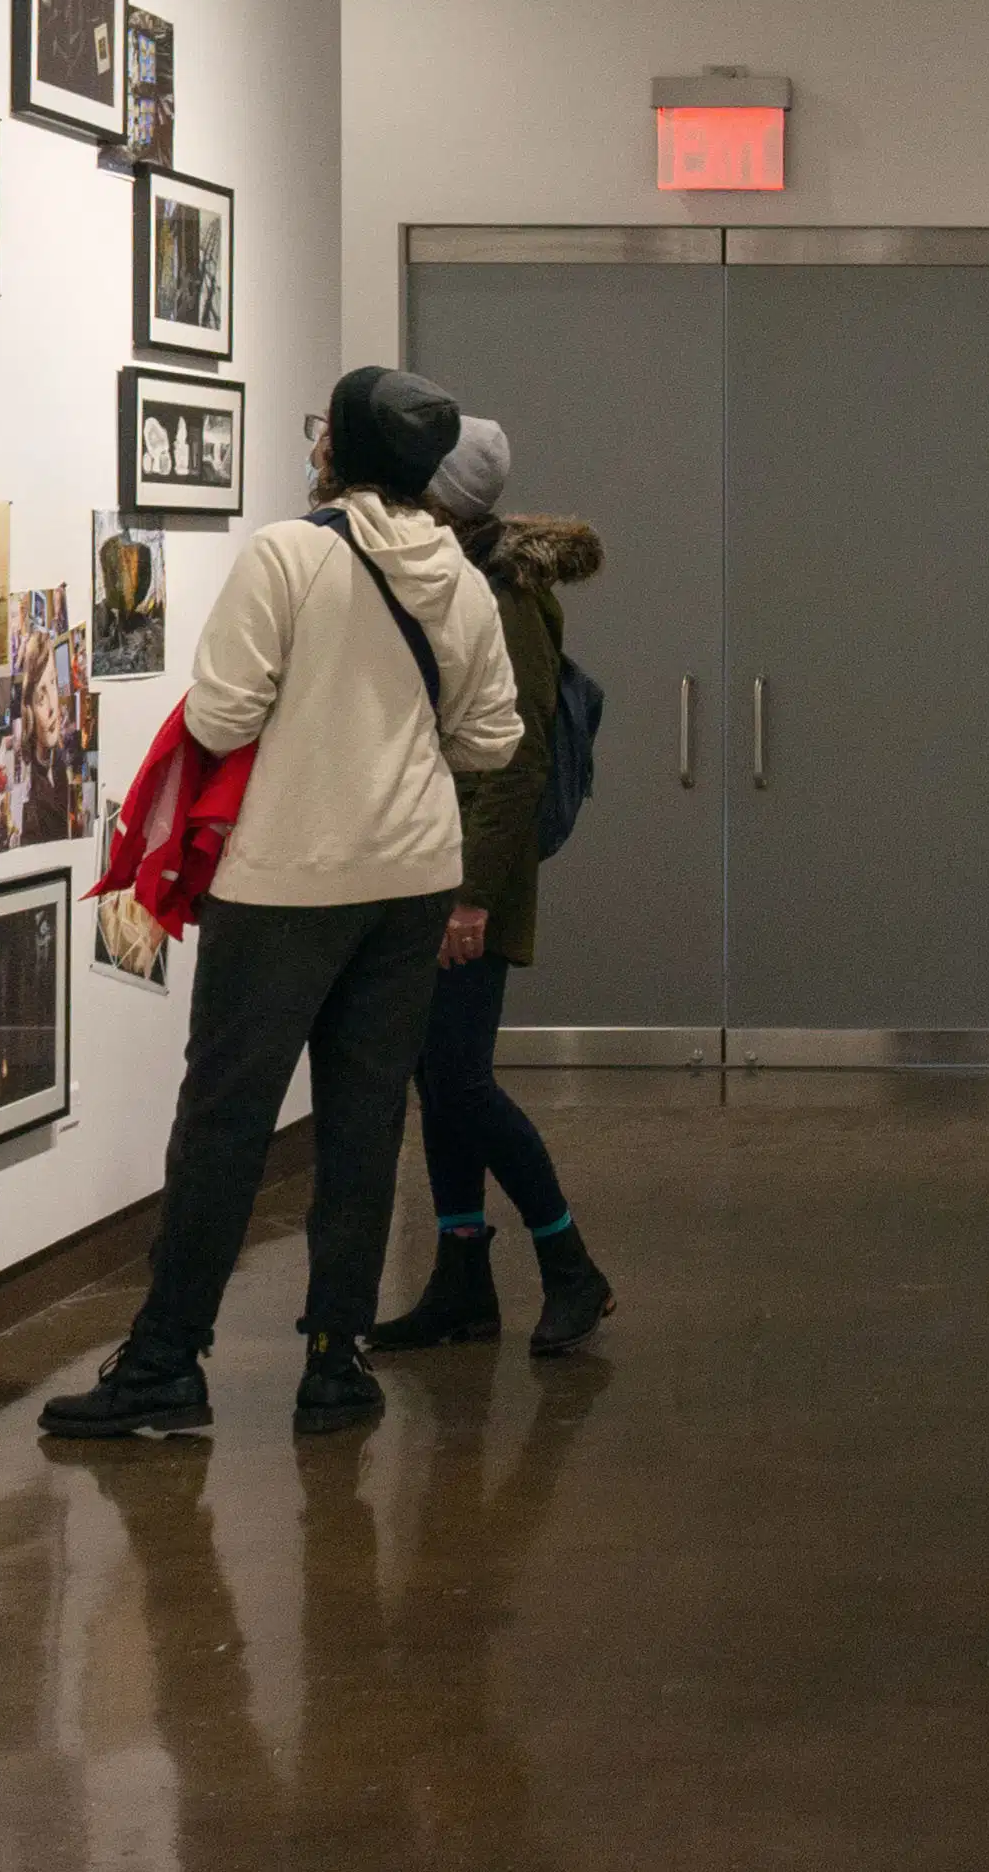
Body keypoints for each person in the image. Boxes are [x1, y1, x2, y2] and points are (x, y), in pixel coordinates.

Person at [44, 367, 524, 1443]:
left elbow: (220, 712)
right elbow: (492, 739)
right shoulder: (458, 574)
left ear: (337, 451)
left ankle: (167, 1358)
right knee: (362, 1120)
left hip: (286, 880)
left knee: (224, 1120)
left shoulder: (289, 555)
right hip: (409, 879)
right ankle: (335, 1362)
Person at [369, 418, 620, 1358]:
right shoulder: (457, 572)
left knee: (463, 1080)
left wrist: (469, 895)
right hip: (443, 861)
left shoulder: (503, 592)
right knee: (442, 1075)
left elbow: (514, 762)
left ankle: (570, 1265)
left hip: (477, 872)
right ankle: (463, 1279)